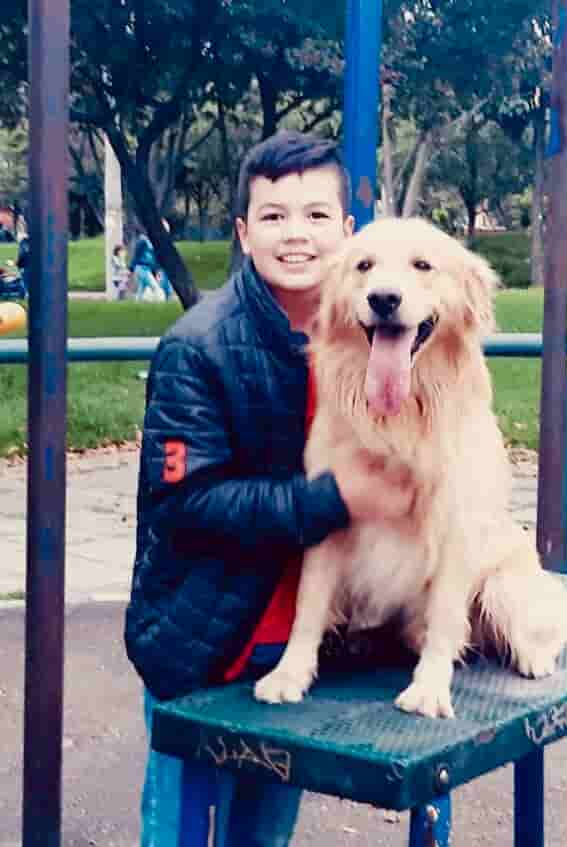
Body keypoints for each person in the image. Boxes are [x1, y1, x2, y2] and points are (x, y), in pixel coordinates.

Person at [124, 130, 415, 847]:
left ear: (348, 232)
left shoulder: (374, 339)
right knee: (179, 831)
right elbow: (186, 502)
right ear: (244, 233)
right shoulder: (199, 346)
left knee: (263, 836)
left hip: (300, 647)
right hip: (205, 641)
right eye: (275, 216)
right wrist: (333, 499)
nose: (297, 236)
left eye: (317, 217)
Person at [129, 233, 164, 302]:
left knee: (141, 289)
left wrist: (157, 270)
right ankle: (160, 302)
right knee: (155, 288)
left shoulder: (154, 244)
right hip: (142, 268)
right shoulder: (142, 242)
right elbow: (136, 256)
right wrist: (131, 269)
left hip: (146, 269)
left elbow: (155, 260)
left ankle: (137, 304)